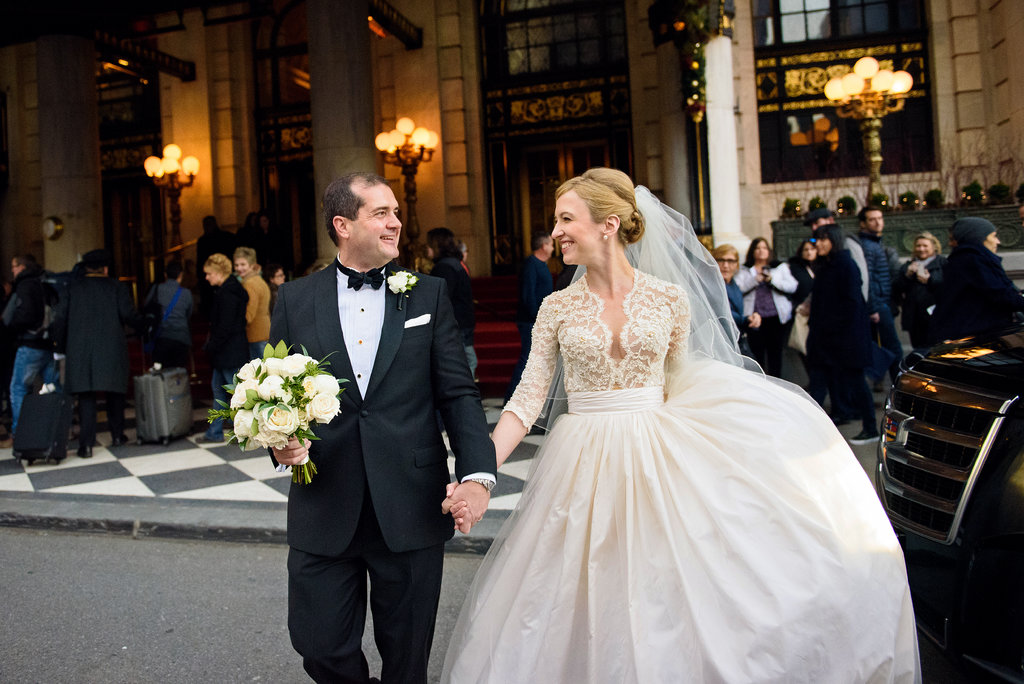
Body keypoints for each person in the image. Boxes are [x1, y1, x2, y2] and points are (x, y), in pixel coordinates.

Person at [441, 168, 918, 682]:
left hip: (656, 457)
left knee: (668, 589)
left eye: (565, 219)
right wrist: (479, 476)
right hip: (581, 462)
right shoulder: (556, 307)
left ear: (609, 223)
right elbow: (525, 400)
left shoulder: (669, 298)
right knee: (580, 590)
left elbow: (678, 381)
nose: (555, 232)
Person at [268, 172, 496, 683]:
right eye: (381, 213)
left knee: (407, 658)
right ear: (343, 225)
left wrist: (478, 475)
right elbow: (274, 390)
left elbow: (458, 393)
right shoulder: (294, 301)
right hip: (324, 499)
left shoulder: (428, 295)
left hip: (411, 501)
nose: (396, 223)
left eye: (396, 212)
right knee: (318, 644)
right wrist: (281, 440)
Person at [51, 249, 142, 457]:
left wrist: (59, 347)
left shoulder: (72, 288)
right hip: (111, 348)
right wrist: (145, 324)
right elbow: (128, 315)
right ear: (105, 268)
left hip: (80, 350)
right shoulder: (116, 287)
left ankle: (86, 445)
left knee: (86, 397)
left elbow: (60, 319)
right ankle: (118, 436)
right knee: (115, 393)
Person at [806, 224, 879, 444]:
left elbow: (851, 304)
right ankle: (809, 430)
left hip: (845, 340)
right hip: (826, 340)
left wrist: (830, 328)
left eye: (822, 239)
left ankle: (871, 427)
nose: (817, 244)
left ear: (834, 240)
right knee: (820, 383)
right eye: (816, 240)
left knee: (857, 383)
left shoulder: (846, 265)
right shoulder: (826, 266)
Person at [930, 217, 1024, 343]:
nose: (998, 241)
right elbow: (1001, 294)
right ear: (979, 237)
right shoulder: (975, 261)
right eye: (993, 236)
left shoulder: (966, 259)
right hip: (976, 339)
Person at [3, 254, 61, 439]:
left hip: (29, 344)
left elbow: (26, 315)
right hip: (47, 344)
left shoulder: (25, 285)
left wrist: (12, 326)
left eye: (14, 266)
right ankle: (59, 429)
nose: (12, 270)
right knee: (54, 386)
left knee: (18, 388)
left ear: (22, 267)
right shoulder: (43, 281)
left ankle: (20, 435)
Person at [197, 253, 249, 444]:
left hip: (228, 352)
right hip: (227, 352)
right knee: (221, 391)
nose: (207, 277)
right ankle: (215, 431)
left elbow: (225, 327)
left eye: (209, 273)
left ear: (218, 273)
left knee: (238, 394)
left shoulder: (227, 293)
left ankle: (250, 431)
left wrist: (211, 346)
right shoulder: (231, 290)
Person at [851, 205, 902, 382]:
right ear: (863, 224)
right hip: (878, 304)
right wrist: (873, 307)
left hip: (881, 302)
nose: (878, 222)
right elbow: (867, 279)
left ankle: (879, 380)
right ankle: (898, 384)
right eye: (872, 219)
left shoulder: (875, 243)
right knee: (894, 349)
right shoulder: (867, 246)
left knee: (883, 347)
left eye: (880, 218)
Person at [733, 237, 797, 377]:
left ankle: (777, 381)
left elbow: (792, 286)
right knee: (757, 353)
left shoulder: (779, 267)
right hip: (755, 317)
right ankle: (761, 382)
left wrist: (772, 280)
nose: (761, 251)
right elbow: (738, 288)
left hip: (775, 316)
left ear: (769, 251)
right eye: (757, 248)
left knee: (776, 352)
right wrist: (755, 280)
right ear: (752, 251)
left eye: (764, 248)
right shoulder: (745, 269)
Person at [503, 233, 554, 402]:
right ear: (543, 246)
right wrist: (538, 318)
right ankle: (512, 398)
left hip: (537, 320)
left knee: (532, 359)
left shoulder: (541, 265)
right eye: (551, 244)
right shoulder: (531, 265)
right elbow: (528, 295)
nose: (553, 248)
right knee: (526, 359)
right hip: (530, 321)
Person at [427, 227, 478, 380]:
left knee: (463, 363)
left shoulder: (444, 267)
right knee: (468, 360)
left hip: (457, 322)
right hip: (464, 320)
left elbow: (442, 299)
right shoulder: (455, 263)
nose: (426, 249)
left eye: (429, 244)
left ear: (437, 245)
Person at [892, 231, 946, 350]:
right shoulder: (908, 265)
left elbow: (948, 287)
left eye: (925, 246)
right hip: (914, 319)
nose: (921, 249)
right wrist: (907, 274)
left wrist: (930, 280)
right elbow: (897, 287)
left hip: (935, 316)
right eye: (918, 246)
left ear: (933, 247)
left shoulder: (943, 264)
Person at [143, 260, 193, 369]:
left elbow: (146, 305)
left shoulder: (157, 289)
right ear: (180, 275)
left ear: (165, 275)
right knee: (179, 375)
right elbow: (189, 314)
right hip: (182, 338)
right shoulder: (186, 293)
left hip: (162, 337)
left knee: (161, 374)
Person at [710, 243, 758, 356]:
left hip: (738, 340)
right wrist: (746, 319)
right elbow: (722, 313)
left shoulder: (733, 283)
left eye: (730, 261)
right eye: (721, 260)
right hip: (720, 345)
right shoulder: (711, 285)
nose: (725, 265)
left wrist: (753, 317)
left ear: (736, 265)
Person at [233, 246, 272, 359]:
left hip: (255, 335)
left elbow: (248, 315)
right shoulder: (258, 280)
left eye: (243, 264)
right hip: (264, 331)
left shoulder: (249, 284)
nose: (239, 268)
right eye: (236, 265)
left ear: (252, 265)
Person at [196, 215, 236, 318]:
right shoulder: (203, 240)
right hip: (210, 275)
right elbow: (200, 259)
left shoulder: (224, 238)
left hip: (220, 273)